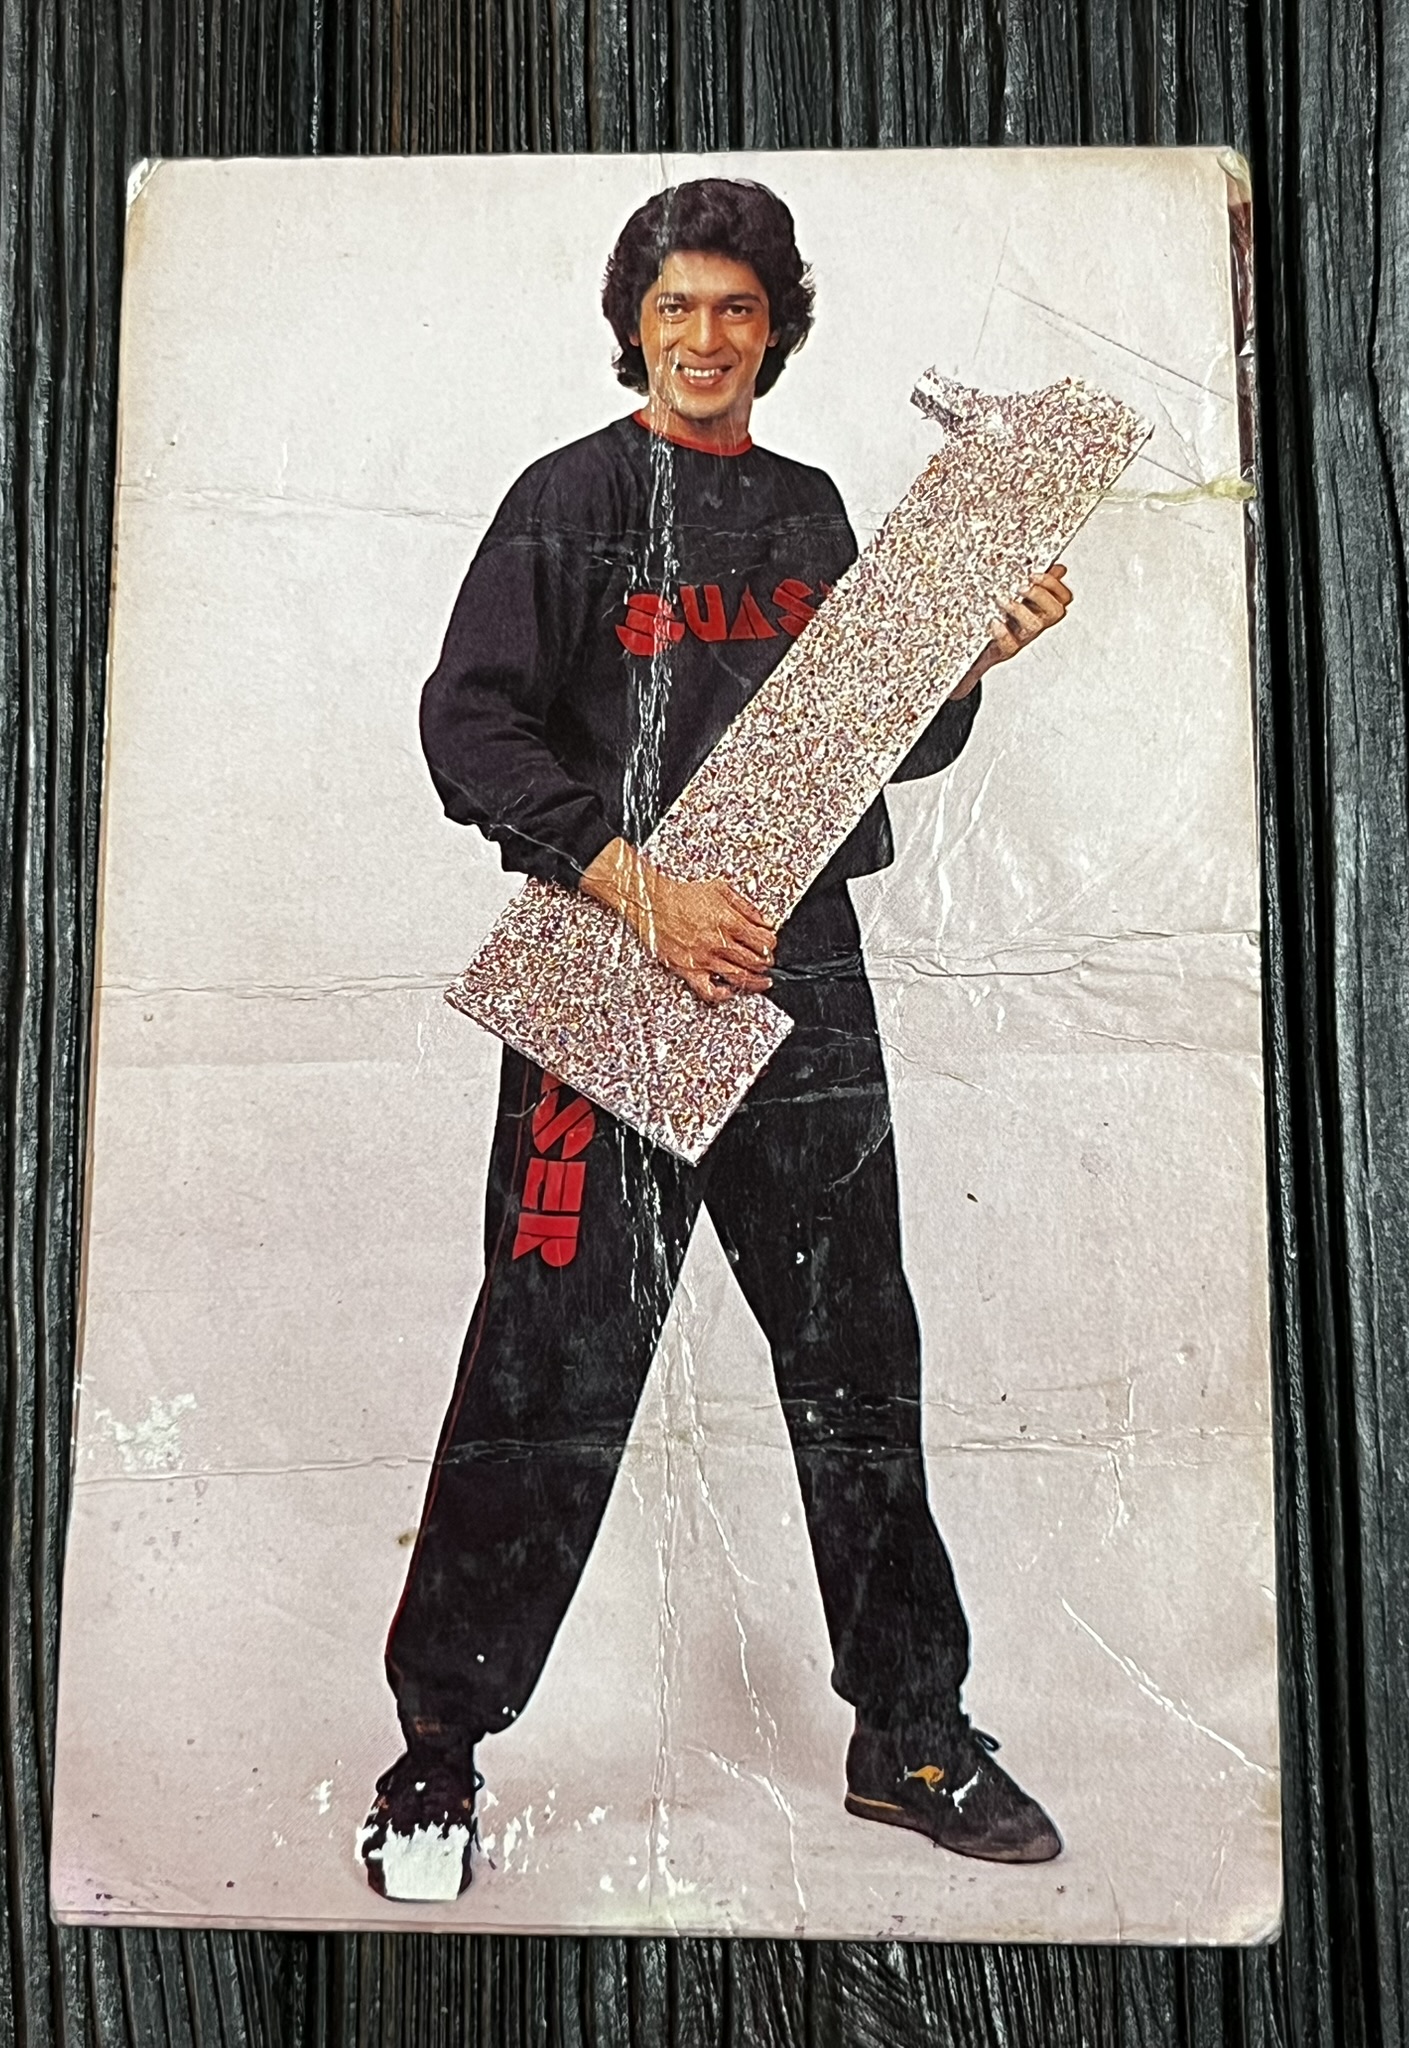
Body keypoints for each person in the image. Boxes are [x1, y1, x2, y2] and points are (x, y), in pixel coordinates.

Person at [358, 178, 1074, 1903]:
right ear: (636, 323)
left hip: (795, 974)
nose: (705, 336)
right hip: (611, 973)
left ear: (774, 328)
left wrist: (963, 659)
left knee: (859, 1357)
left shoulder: (810, 508)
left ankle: (909, 1733)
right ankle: (437, 1757)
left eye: (737, 308)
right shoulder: (569, 500)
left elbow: (881, 745)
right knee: (546, 1373)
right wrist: (637, 888)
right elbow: (468, 728)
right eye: (677, 305)